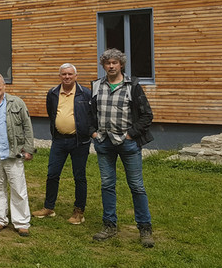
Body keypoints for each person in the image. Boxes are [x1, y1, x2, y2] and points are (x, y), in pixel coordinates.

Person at [90, 48, 155, 247]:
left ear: (121, 65)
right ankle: (109, 225)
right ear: (103, 66)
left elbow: (147, 115)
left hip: (127, 144)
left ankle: (145, 229)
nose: (111, 66)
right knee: (107, 185)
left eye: (114, 63)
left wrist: (130, 135)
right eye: (107, 63)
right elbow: (90, 114)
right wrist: (94, 132)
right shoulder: (96, 86)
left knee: (136, 186)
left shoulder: (132, 86)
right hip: (104, 143)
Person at [32, 63, 92, 224]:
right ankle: (48, 207)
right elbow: (51, 113)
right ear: (60, 76)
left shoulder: (85, 93)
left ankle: (79, 211)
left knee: (79, 177)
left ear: (75, 76)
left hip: (80, 141)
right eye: (64, 74)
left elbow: (92, 115)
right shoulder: (52, 93)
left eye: (70, 74)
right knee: (52, 174)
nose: (67, 77)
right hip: (59, 140)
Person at [0, 73, 35, 237]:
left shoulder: (16, 103)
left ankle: (21, 222)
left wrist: (28, 148)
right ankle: (0, 219)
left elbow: (27, 126)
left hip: (13, 153)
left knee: (18, 188)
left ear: (4, 85)